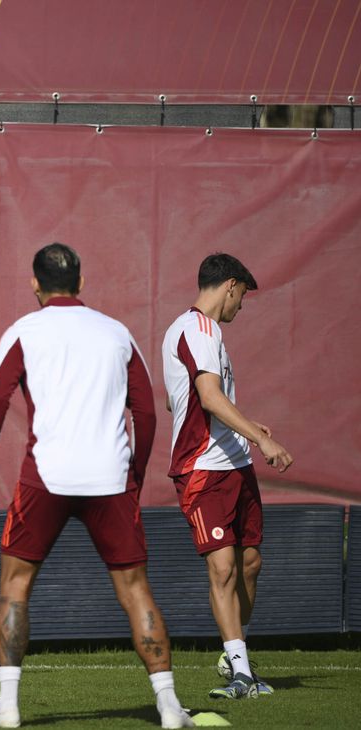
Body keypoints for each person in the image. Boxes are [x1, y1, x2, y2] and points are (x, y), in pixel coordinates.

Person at [0, 244, 192, 729]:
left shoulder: (24, 331)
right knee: (135, 590)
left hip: (45, 477)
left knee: (14, 586)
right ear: (81, 283)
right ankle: (170, 705)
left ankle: (7, 706)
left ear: (35, 284)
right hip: (109, 477)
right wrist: (134, 472)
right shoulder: (116, 333)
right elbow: (148, 412)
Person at [162, 253, 292, 700]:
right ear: (231, 286)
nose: (242, 307)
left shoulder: (204, 333)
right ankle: (241, 672)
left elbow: (181, 401)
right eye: (243, 298)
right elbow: (209, 398)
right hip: (203, 471)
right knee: (221, 567)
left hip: (234, 464)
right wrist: (261, 438)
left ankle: (233, 653)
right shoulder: (198, 328)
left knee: (249, 564)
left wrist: (250, 428)